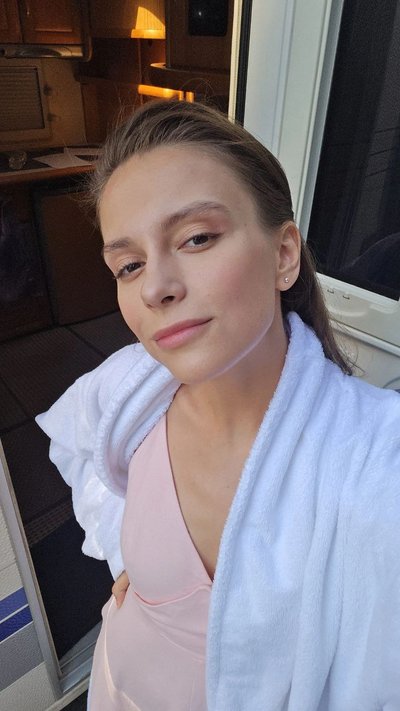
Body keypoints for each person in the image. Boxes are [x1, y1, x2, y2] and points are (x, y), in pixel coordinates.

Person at [36, 100, 400, 711]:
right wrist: (130, 553)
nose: (156, 288)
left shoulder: (373, 462)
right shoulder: (129, 394)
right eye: (129, 265)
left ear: (284, 255)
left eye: (197, 238)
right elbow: (76, 442)